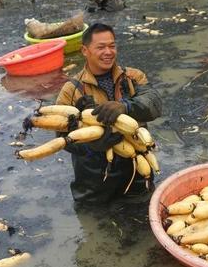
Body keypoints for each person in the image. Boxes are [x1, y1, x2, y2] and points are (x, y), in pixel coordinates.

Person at [56, 23, 162, 203]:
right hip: (94, 182)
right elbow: (62, 137)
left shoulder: (133, 77)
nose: (108, 52)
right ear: (84, 50)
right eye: (100, 47)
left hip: (136, 171)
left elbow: (154, 104)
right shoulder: (71, 90)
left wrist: (126, 106)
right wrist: (92, 147)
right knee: (96, 226)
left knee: (144, 219)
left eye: (112, 46)